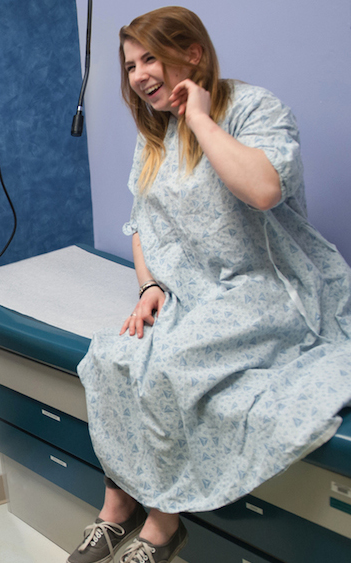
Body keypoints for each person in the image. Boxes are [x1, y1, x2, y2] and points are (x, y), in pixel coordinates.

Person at [70, 7, 351, 563]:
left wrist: (200, 118)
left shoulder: (255, 109)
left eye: (150, 58)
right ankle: (116, 507)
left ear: (192, 53)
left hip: (270, 290)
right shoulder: (153, 135)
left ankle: (163, 523)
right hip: (192, 292)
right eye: (129, 65)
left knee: (172, 365)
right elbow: (142, 223)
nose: (139, 75)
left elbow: (264, 190)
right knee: (111, 359)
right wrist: (150, 287)